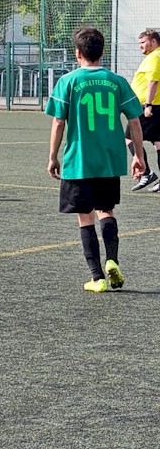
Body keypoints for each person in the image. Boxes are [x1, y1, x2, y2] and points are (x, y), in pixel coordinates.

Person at [46, 27, 144, 293]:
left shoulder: (68, 81)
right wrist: (139, 157)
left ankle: (97, 277)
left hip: (79, 160)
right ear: (102, 52)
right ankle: (112, 260)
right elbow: (134, 120)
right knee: (106, 211)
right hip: (109, 161)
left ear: (78, 53)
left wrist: (53, 156)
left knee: (85, 217)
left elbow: (58, 122)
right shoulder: (117, 81)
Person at [125, 29, 160, 192]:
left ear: (153, 42)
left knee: (129, 138)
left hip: (149, 107)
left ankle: (146, 173)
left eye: (143, 42)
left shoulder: (154, 57)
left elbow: (154, 81)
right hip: (154, 105)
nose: (140, 46)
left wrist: (148, 105)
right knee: (158, 142)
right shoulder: (154, 56)